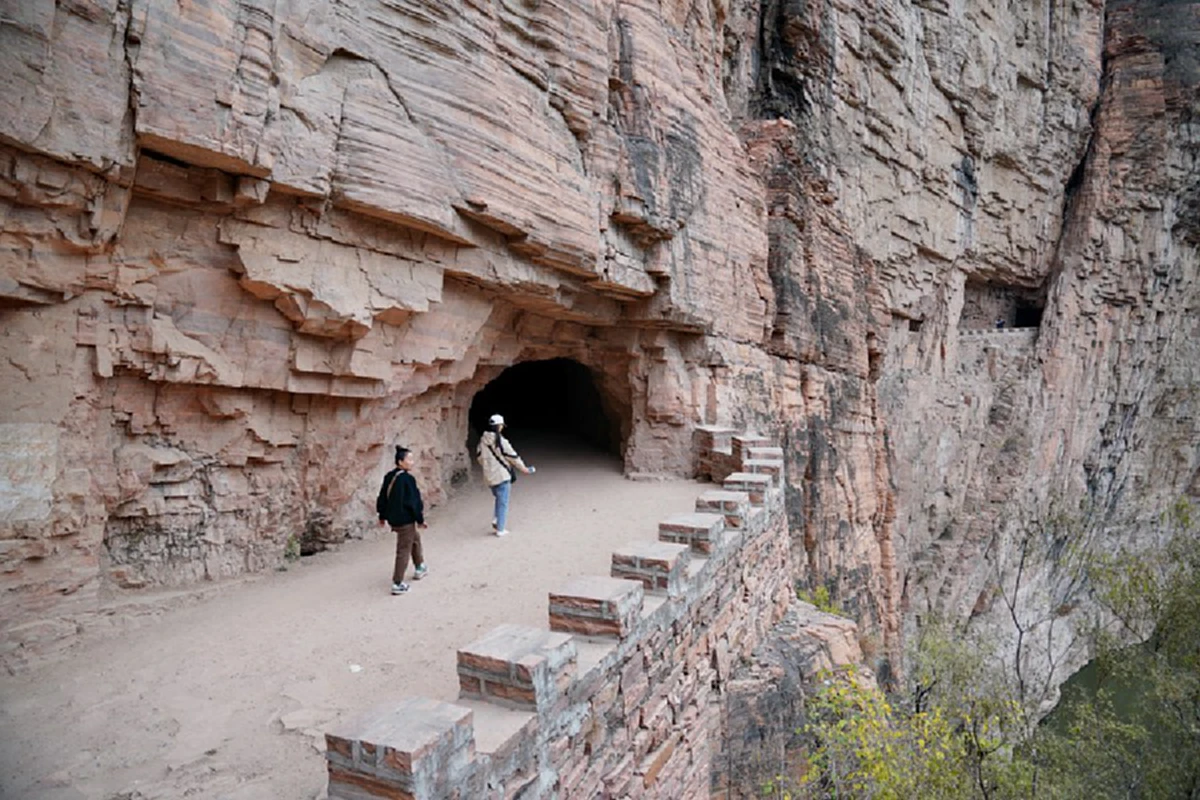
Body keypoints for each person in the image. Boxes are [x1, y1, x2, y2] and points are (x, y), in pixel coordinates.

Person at [376, 446, 427, 595]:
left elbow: (383, 497)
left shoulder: (389, 476)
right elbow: (414, 502)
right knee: (403, 549)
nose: (412, 462)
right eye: (409, 459)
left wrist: (382, 515)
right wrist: (420, 519)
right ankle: (397, 583)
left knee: (414, 539)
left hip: (394, 519)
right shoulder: (407, 479)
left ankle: (420, 566)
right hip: (405, 519)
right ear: (400, 462)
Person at [476, 414, 535, 537]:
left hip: (490, 476)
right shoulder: (501, 441)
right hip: (502, 475)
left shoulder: (482, 441)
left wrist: (489, 467)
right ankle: (500, 529)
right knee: (503, 502)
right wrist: (524, 469)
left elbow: (479, 457)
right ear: (499, 426)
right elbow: (512, 456)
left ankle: (497, 519)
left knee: (499, 498)